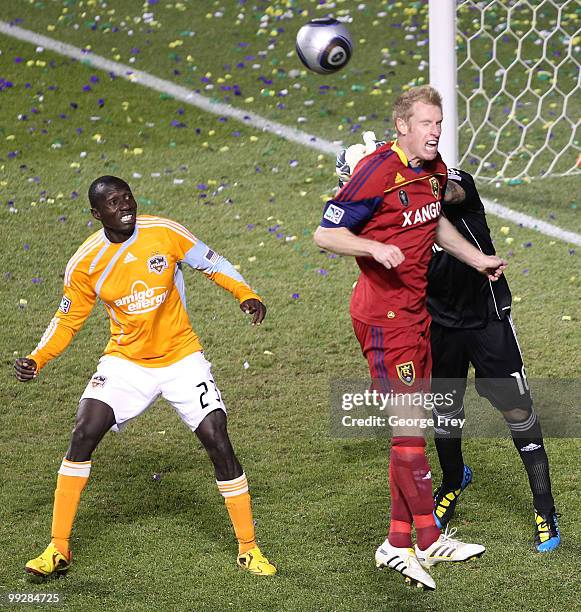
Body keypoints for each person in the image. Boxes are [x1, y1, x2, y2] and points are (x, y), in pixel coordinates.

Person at [14, 175, 276, 579]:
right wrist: (38, 358)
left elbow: (213, 262)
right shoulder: (86, 263)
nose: (125, 206)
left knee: (217, 437)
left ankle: (248, 548)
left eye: (127, 197)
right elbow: (66, 320)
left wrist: (246, 293)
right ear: (96, 213)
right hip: (126, 363)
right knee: (84, 432)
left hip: (181, 358)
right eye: (114, 203)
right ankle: (57, 548)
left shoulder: (164, 233)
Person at [315, 85, 507, 591]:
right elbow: (326, 234)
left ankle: (400, 544)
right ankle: (425, 538)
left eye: (439, 124)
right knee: (408, 435)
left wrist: (476, 258)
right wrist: (373, 248)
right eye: (427, 124)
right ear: (403, 125)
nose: (436, 132)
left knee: (412, 434)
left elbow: (435, 222)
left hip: (417, 316)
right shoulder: (376, 171)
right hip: (383, 321)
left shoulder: (434, 168)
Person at [427, 167, 560, 552]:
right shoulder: (397, 210)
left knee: (518, 412)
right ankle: (453, 481)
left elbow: (449, 193)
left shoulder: (456, 182)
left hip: (488, 321)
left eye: (436, 125)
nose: (433, 133)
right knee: (444, 411)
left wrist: (405, 188)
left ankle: (545, 507)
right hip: (439, 326)